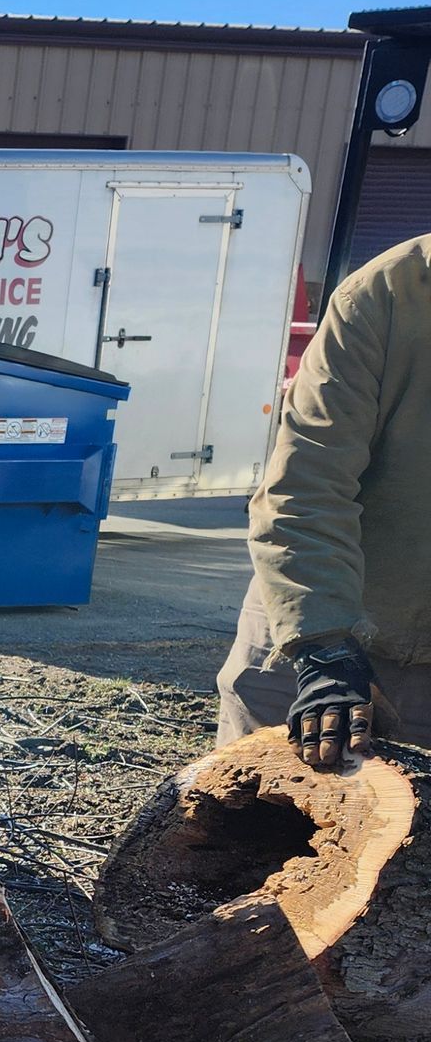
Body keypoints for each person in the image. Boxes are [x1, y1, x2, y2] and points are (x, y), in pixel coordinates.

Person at [218, 234, 431, 770]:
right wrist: (325, 648)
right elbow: (307, 487)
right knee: (246, 826)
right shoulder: (384, 295)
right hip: (318, 612)